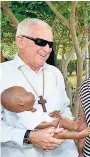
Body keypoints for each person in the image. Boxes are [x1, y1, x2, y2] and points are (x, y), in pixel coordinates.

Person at [0, 18, 78, 157]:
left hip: (63, 152)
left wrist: (67, 128)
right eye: (41, 42)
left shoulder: (55, 73)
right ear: (21, 42)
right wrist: (28, 136)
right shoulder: (2, 73)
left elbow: (64, 108)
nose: (47, 49)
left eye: (50, 44)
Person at [1, 86, 90, 139]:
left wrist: (51, 114)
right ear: (20, 102)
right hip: (46, 134)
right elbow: (37, 125)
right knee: (62, 134)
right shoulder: (24, 117)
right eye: (26, 93)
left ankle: (73, 126)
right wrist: (52, 123)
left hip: (51, 128)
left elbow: (41, 116)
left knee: (62, 121)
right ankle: (78, 135)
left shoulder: (31, 110)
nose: (30, 92)